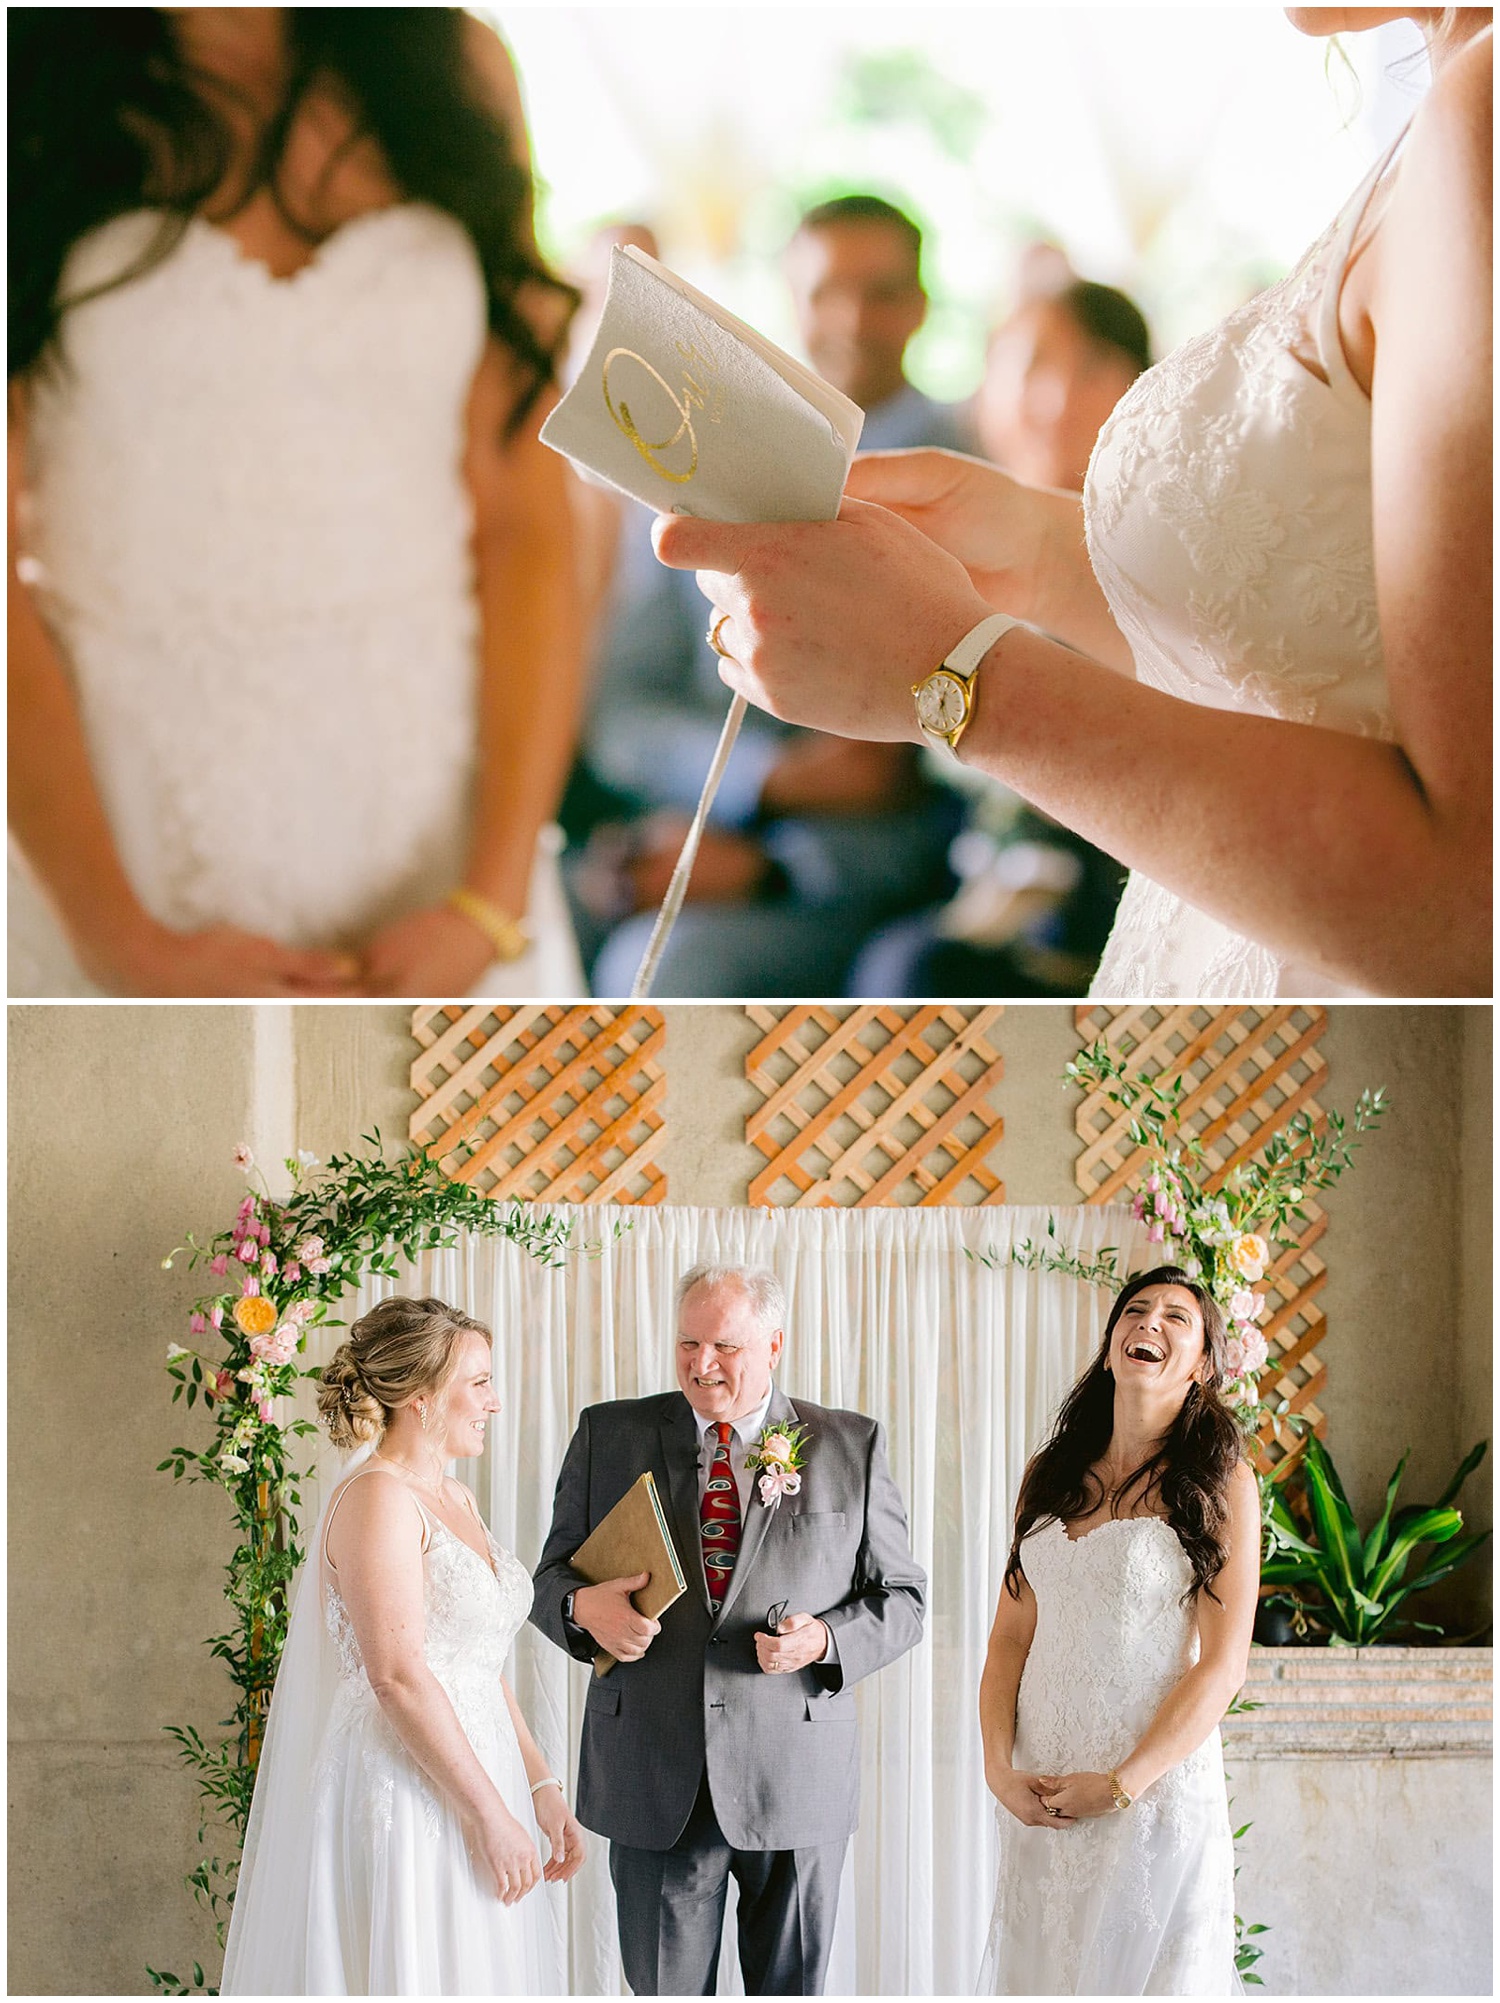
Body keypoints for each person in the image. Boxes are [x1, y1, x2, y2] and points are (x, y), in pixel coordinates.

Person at [655, 10, 1492, 998]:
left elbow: (1466, 901)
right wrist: (1045, 555)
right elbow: (1336, 645)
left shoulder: (1479, 119)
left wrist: (952, 669)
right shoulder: (1432, 128)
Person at [9, 8, 585, 997]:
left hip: (437, 840)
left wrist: (491, 899)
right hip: (117, 834)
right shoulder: (30, 68)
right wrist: (116, 933)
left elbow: (526, 521)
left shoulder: (449, 59)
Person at [568, 194, 970, 997]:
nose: (853, 319)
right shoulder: (696, 450)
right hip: (693, 818)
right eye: (827, 291)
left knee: (659, 971)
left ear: (922, 305)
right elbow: (623, 709)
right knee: (544, 923)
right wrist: (762, 784)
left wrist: (772, 867)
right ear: (790, 298)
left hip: (850, 874)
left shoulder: (968, 469)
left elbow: (920, 767)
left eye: (883, 291)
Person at [530, 1263, 927, 1995]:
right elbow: (548, 1578)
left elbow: (903, 1598)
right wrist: (586, 1611)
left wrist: (826, 1640)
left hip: (797, 1778)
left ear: (774, 1345)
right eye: (687, 1342)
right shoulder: (607, 1433)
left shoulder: (850, 1444)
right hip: (653, 1773)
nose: (701, 1363)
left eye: (725, 1346)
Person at [221, 1295, 586, 1994]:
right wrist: (487, 1811)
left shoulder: (456, 1497)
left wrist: (538, 1785)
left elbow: (479, 1661)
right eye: (478, 1382)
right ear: (419, 1396)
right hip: (406, 1785)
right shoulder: (379, 1497)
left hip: (480, 1773)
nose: (495, 1401)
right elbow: (396, 1675)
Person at [851, 279, 1150, 997]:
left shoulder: (1152, 559)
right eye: (1022, 368)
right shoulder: (947, 548)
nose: (1049, 400)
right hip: (958, 866)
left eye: (1087, 370)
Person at [978, 1267, 1259, 1994]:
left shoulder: (1220, 1481)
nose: (1150, 1323)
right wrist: (998, 1766)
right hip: (1047, 1791)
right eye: (1135, 1310)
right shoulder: (1048, 1473)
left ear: (1201, 1366)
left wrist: (1123, 1783)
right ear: (1110, 1347)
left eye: (1176, 1316)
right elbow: (1010, 1636)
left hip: (1150, 1793)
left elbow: (1223, 1667)